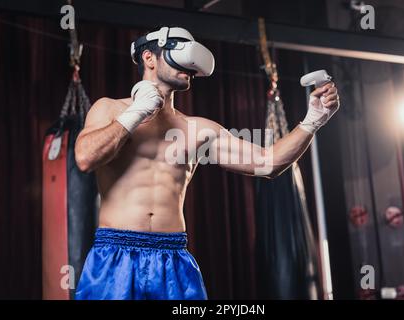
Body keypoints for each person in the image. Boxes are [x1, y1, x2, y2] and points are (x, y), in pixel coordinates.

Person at [74, 26, 340, 300]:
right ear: (148, 58)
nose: (189, 65)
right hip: (115, 252)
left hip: (173, 258)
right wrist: (136, 113)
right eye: (178, 51)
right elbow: (85, 158)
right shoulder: (109, 109)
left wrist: (313, 120)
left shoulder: (198, 130)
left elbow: (268, 163)